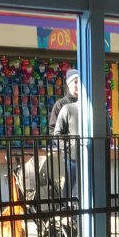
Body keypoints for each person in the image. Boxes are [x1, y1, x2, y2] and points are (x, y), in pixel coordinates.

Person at [53, 70, 81, 199]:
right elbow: (54, 130)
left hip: (85, 151)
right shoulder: (60, 104)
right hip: (71, 154)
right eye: (75, 82)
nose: (78, 85)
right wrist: (68, 147)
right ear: (69, 84)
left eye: (80, 82)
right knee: (72, 183)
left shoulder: (86, 104)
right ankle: (69, 209)